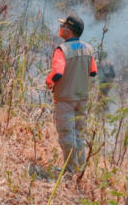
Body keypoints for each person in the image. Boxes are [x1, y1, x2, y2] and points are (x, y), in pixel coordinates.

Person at [46, 14, 97, 174]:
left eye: (63, 27)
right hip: (82, 99)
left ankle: (69, 172)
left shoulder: (61, 50)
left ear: (69, 30)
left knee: (67, 136)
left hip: (65, 100)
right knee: (80, 136)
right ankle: (80, 170)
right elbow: (93, 72)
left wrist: (48, 80)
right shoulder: (89, 49)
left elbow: (57, 74)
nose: (61, 29)